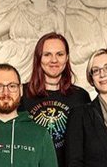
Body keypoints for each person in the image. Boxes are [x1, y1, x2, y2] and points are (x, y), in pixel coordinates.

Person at [19, 32, 89, 166]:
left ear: (67, 58)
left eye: (60, 54)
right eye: (47, 54)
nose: (54, 60)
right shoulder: (21, 94)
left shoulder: (81, 96)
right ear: (39, 58)